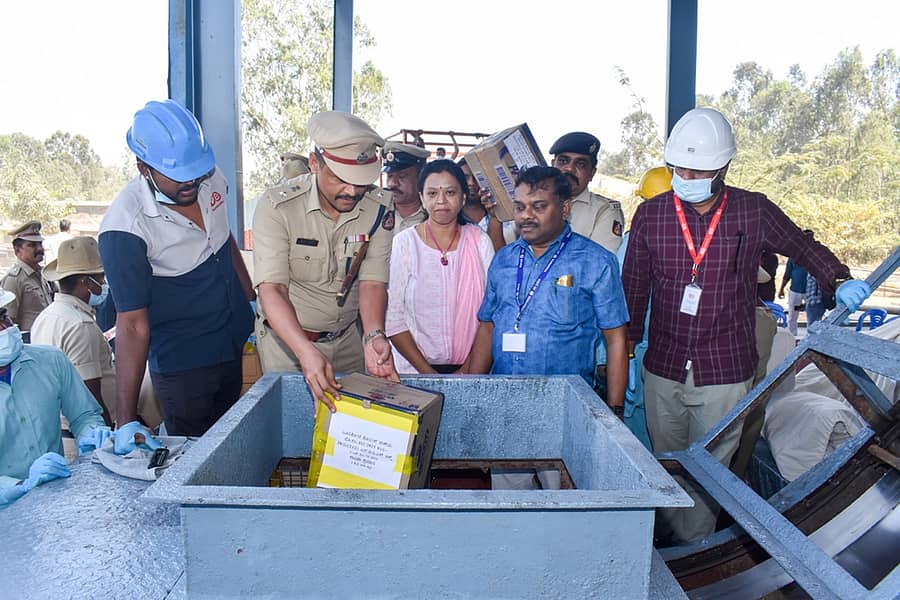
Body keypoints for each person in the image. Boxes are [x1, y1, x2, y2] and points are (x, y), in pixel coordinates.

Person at [622, 107, 871, 544]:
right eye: (679, 167)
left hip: (725, 366)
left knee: (710, 465)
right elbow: (634, 287)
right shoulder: (652, 215)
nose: (687, 176)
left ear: (723, 169)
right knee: (668, 457)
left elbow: (799, 243)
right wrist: (625, 350)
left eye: (699, 170)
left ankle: (691, 551)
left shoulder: (752, 211)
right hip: (663, 364)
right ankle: (672, 536)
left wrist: (839, 279)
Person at [99, 99, 255, 452]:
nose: (191, 181)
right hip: (185, 364)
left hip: (232, 338)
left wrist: (251, 300)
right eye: (178, 174)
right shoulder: (125, 228)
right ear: (143, 167)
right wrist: (126, 420)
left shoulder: (210, 176)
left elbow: (223, 237)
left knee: (237, 444)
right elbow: (132, 324)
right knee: (198, 457)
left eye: (195, 170)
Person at [466, 165, 629, 489]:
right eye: (520, 207)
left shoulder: (595, 262)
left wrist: (614, 412)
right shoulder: (504, 259)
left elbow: (616, 340)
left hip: (565, 413)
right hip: (507, 407)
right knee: (508, 506)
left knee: (565, 507)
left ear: (564, 208)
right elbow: (487, 327)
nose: (527, 216)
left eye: (539, 206)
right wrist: (474, 395)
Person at [252, 111, 398, 410]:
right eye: (342, 179)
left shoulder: (379, 207)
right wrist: (305, 352)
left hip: (348, 341)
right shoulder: (278, 207)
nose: (353, 191)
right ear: (315, 163)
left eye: (361, 182)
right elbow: (272, 290)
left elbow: (372, 282)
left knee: (349, 430)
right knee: (295, 429)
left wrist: (373, 336)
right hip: (289, 345)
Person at [0, 290, 109, 507]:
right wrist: (22, 484)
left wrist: (92, 433)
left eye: (3, 317)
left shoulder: (50, 360)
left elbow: (84, 415)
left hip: (55, 503)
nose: (5, 329)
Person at [386, 160, 494, 374]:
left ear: (463, 197)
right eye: (432, 193)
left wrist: (467, 370)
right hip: (414, 371)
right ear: (421, 199)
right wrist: (429, 375)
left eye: (450, 192)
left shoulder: (479, 241)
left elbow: (491, 314)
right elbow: (394, 318)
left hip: (472, 369)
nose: (441, 201)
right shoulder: (405, 242)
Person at [31, 236, 115, 426]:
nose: (104, 284)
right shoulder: (80, 324)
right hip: (84, 432)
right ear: (86, 282)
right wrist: (108, 433)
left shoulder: (46, 316)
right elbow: (90, 394)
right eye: (101, 277)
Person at [549, 132, 625, 253]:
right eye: (563, 161)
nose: (570, 168)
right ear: (552, 166)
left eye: (580, 164)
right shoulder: (531, 203)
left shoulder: (604, 211)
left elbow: (598, 263)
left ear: (592, 173)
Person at [1, 221, 55, 333]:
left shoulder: (42, 274)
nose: (40, 249)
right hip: (29, 343)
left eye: (40, 244)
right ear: (17, 250)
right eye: (32, 245)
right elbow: (8, 322)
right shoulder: (14, 279)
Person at [459, 157, 517, 251]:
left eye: (476, 178)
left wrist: (495, 217)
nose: (471, 183)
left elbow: (498, 257)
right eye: (465, 178)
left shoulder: (507, 218)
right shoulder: (451, 221)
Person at [382, 141, 430, 233]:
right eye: (389, 176)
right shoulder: (377, 211)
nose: (392, 183)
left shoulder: (434, 216)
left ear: (420, 177)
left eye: (402, 176)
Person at [779, 252, 810, 336]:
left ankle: (811, 336)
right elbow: (787, 274)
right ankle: (792, 336)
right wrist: (781, 289)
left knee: (811, 315)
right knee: (792, 316)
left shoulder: (812, 257)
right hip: (795, 290)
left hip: (810, 291)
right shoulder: (793, 258)